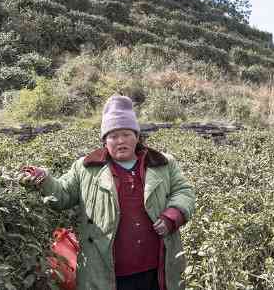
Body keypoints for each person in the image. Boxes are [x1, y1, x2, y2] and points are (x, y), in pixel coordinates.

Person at [20, 95, 196, 290]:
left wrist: (173, 216)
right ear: (105, 141)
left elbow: (184, 191)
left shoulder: (162, 163)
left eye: (126, 134)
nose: (120, 141)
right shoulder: (86, 168)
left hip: (157, 268)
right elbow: (61, 196)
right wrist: (44, 179)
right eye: (113, 136)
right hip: (108, 272)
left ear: (137, 137)